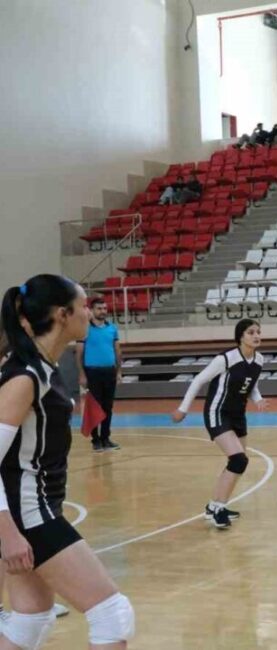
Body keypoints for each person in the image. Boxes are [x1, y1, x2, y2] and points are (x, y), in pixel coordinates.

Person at [0, 275, 135, 648]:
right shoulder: (24, 377)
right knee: (112, 614)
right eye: (83, 307)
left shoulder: (42, 368)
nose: (89, 313)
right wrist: (8, 533)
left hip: (35, 510)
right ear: (62, 314)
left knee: (30, 621)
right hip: (27, 515)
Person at [171, 319, 267, 529]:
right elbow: (199, 380)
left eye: (258, 332)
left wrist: (257, 398)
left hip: (238, 415)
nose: (256, 335)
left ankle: (215, 505)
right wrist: (183, 409)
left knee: (240, 463)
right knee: (238, 460)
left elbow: (251, 385)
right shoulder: (226, 358)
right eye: (251, 332)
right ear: (240, 336)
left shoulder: (259, 360)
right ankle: (216, 509)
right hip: (218, 411)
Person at [76, 297, 122, 452]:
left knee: (108, 407)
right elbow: (79, 354)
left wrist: (119, 371)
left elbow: (117, 350)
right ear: (92, 310)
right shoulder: (84, 330)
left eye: (104, 308)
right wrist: (82, 374)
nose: (103, 311)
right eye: (99, 308)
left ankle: (105, 438)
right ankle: (95, 440)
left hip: (109, 371)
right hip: (92, 372)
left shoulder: (112, 329)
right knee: (94, 407)